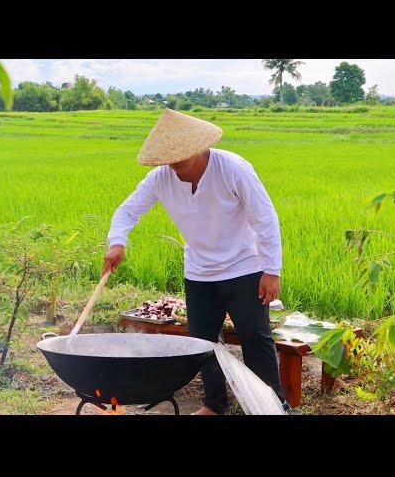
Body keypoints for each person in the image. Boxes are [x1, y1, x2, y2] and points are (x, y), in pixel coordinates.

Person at [103, 108, 290, 415]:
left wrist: (272, 270)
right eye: (169, 156)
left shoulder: (233, 168)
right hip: (199, 272)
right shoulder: (160, 179)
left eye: (182, 155)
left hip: (245, 267)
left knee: (255, 339)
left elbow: (265, 219)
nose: (175, 163)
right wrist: (117, 242)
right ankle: (215, 405)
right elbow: (127, 211)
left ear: (201, 147)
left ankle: (271, 406)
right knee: (203, 343)